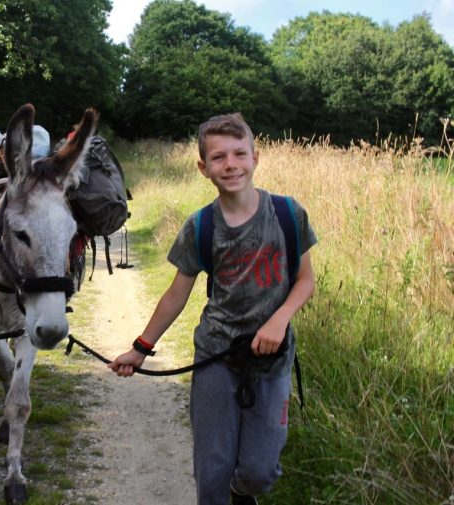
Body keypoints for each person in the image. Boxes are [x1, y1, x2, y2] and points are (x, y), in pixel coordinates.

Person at [108, 113, 317, 505]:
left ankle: (242, 492)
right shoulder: (200, 226)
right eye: (219, 157)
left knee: (259, 471)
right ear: (203, 168)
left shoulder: (289, 215)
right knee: (213, 472)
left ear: (256, 157)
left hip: (273, 363)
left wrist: (279, 320)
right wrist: (141, 347)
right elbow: (176, 295)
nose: (231, 164)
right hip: (216, 358)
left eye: (240, 153)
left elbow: (305, 281)